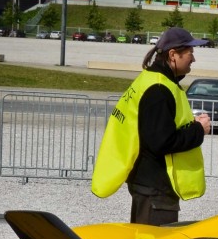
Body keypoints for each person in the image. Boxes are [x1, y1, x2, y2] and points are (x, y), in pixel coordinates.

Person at [90, 27, 211, 225]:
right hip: (155, 190)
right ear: (173, 54)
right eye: (190, 53)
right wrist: (199, 130)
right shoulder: (159, 88)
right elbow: (160, 142)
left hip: (147, 186)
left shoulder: (152, 80)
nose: (193, 59)